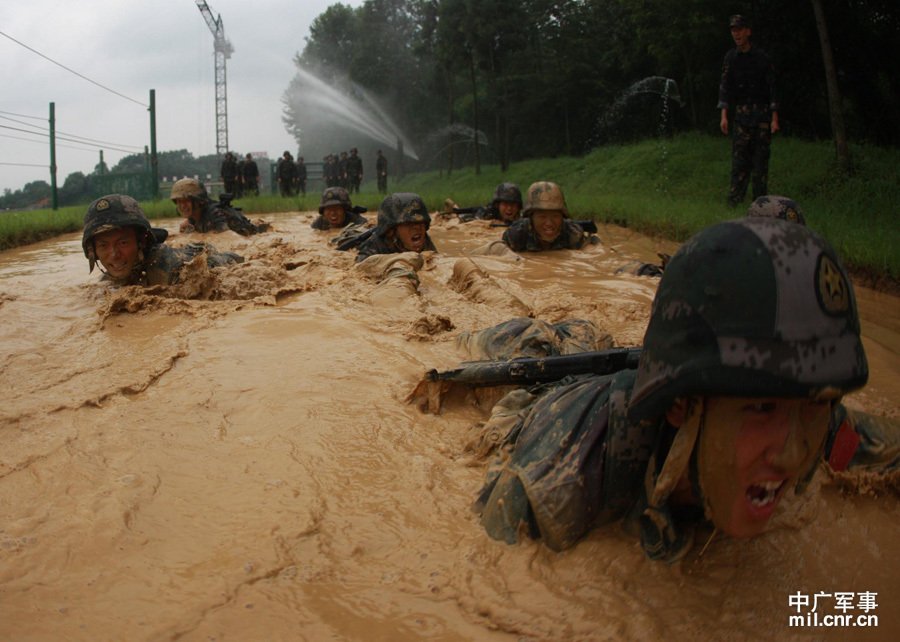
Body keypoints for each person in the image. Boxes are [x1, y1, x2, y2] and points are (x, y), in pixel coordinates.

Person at [473, 217, 898, 563]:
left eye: (818, 403)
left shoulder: (812, 421)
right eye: (762, 407)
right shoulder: (557, 482)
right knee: (535, 337)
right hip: (549, 401)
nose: (791, 453)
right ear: (680, 405)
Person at [82, 194, 243, 287]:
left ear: (142, 242)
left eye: (122, 243)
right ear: (93, 252)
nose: (114, 254)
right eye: (103, 245)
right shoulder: (108, 279)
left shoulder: (170, 270)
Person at [718, 14, 779, 207]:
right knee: (739, 164)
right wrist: (724, 115)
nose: (736, 33)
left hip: (762, 117)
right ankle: (733, 204)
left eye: (739, 29)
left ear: (748, 32)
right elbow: (725, 87)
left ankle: (759, 206)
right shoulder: (731, 57)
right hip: (742, 117)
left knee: (760, 165)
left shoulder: (761, 57)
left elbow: (772, 88)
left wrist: (774, 118)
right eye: (733, 30)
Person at [501, 181, 592, 251]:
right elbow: (495, 247)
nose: (549, 223)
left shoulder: (573, 234)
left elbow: (594, 251)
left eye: (555, 216)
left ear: (562, 216)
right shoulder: (516, 234)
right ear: (531, 217)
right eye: (542, 217)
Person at [354, 192, 437, 263]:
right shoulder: (372, 247)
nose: (417, 227)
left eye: (421, 223)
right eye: (409, 224)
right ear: (391, 231)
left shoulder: (423, 240)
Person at [171, 178, 268, 236]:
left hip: (257, 234)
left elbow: (229, 239)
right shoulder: (192, 218)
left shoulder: (216, 217)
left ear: (198, 201)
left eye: (186, 201)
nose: (182, 206)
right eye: (179, 201)